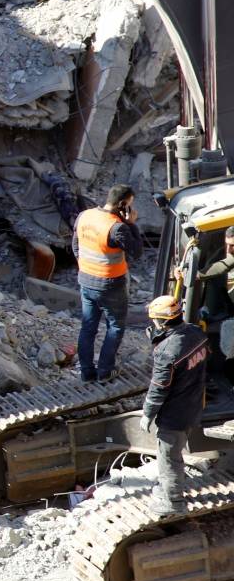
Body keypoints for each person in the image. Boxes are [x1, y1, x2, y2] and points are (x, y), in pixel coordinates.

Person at [72, 183, 144, 383]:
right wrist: (131, 223)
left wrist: (86, 267)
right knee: (115, 326)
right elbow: (137, 252)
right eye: (129, 205)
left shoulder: (84, 216)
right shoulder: (117, 227)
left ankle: (87, 373)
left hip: (86, 280)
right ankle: (105, 372)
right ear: (122, 205)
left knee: (88, 327)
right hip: (111, 285)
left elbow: (75, 246)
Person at [144, 295, 210, 514]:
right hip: (194, 402)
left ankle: (173, 502)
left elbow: (158, 388)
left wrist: (147, 414)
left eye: (154, 319)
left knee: (169, 457)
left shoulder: (166, 351)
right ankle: (167, 490)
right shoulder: (196, 333)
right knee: (174, 452)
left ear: (162, 322)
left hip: (175, 414)